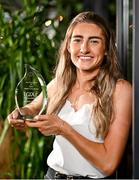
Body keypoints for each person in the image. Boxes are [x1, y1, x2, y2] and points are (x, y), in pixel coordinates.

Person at [8, 11, 132, 179]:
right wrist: (20, 114)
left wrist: (64, 129)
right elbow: (31, 108)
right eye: (77, 40)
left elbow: (108, 164)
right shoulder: (59, 84)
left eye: (94, 41)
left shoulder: (120, 90)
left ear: (106, 49)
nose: (84, 49)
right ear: (68, 45)